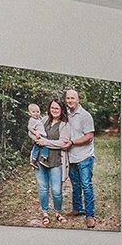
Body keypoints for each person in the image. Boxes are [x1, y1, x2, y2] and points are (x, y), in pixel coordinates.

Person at [29, 96, 71, 225]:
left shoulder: (64, 124)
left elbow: (63, 142)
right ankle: (45, 213)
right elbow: (31, 131)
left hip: (56, 161)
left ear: (61, 109)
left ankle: (58, 212)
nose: (54, 110)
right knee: (42, 188)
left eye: (57, 108)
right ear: (49, 109)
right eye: (52, 107)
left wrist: (45, 142)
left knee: (56, 191)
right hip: (40, 160)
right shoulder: (44, 119)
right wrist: (35, 137)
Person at [62, 86, 98, 228]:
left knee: (86, 185)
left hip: (85, 156)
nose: (70, 100)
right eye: (68, 98)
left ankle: (90, 216)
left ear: (78, 100)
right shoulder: (67, 115)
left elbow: (89, 137)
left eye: (73, 98)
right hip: (72, 157)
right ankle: (77, 209)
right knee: (76, 185)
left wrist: (72, 143)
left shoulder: (85, 115)